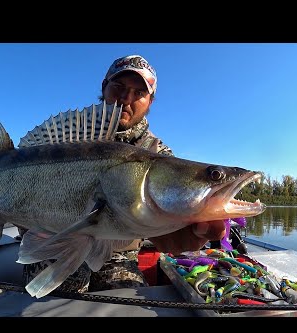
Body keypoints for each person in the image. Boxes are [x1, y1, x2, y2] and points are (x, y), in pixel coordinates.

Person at [21, 54, 226, 293]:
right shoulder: (68, 140)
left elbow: (167, 231)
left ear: (150, 101)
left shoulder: (159, 155)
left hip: (118, 255)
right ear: (104, 87)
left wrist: (184, 231)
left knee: (128, 299)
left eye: (139, 93)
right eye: (118, 86)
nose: (126, 98)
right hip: (53, 239)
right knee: (63, 296)